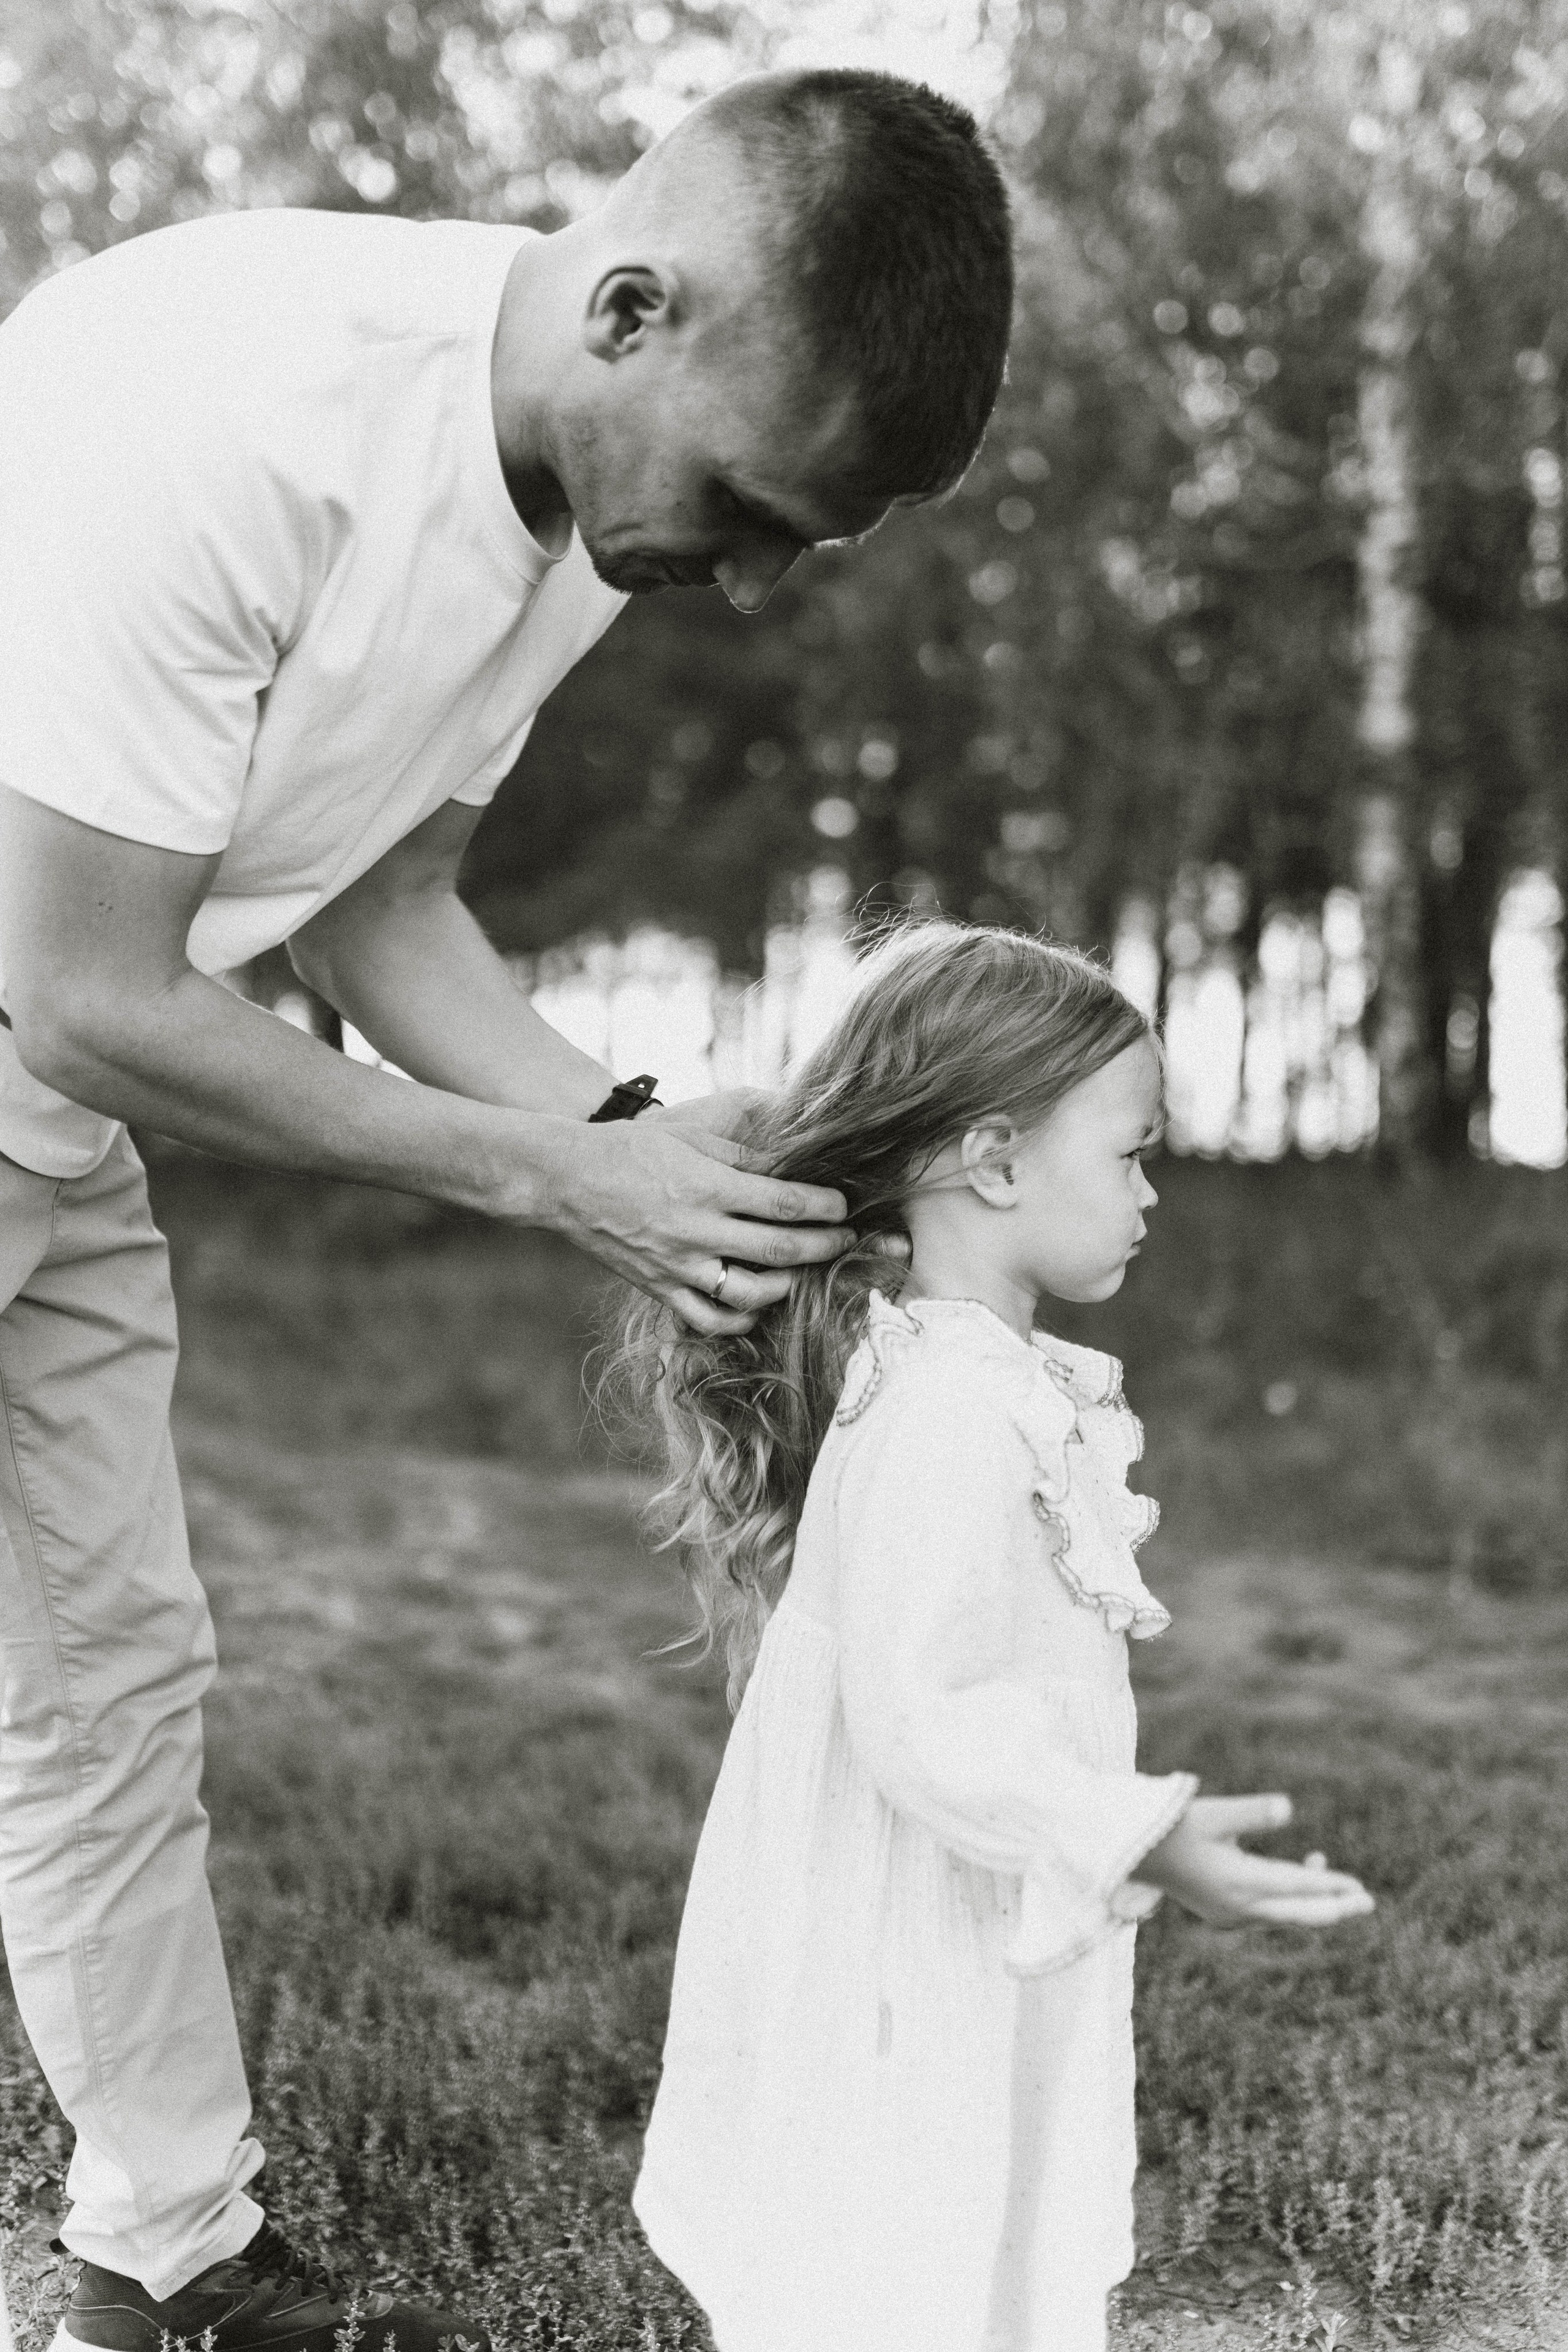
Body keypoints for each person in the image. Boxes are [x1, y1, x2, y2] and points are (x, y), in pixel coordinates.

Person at [0, 67, 1015, 2352]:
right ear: (635, 306)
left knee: (105, 1682)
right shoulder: (218, 409)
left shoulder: (578, 501)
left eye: (798, 546)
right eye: (752, 511)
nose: (743, 580)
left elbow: (380, 897)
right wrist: (563, 1179)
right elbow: (80, 990)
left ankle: (164, 2264)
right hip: (52, 1045)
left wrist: (658, 1135)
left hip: (43, 1145)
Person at [612, 922, 1376, 2352]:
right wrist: (1132, 1833)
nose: (1151, 1193)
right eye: (1132, 1153)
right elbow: (924, 1717)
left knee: (969, 2234)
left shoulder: (971, 1381)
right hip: (911, 1951)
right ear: (996, 1162)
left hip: (960, 1914)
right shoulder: (952, 1413)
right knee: (912, 2245)